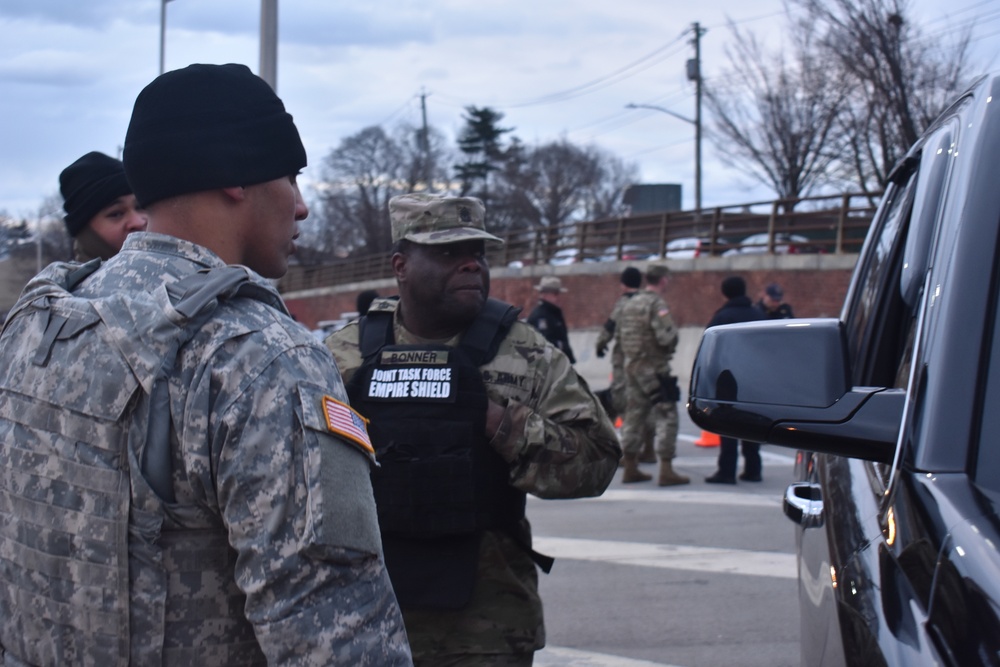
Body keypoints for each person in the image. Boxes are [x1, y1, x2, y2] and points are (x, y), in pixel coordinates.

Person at [0, 63, 411, 666]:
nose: (299, 207)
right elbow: (335, 635)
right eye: (291, 177)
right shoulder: (263, 356)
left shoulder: (38, 323)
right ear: (237, 176)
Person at [325, 192, 621, 666]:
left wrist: (497, 422)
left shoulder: (526, 353)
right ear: (400, 265)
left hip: (486, 631)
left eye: (477, 254)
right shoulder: (344, 357)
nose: (470, 266)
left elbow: (598, 461)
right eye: (447, 253)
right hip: (362, 621)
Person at [616, 264, 690, 486]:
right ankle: (666, 470)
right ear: (663, 280)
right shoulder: (657, 304)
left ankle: (630, 466)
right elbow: (667, 337)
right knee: (667, 415)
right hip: (654, 368)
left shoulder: (631, 303)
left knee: (634, 414)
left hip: (632, 366)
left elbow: (621, 334)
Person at [705, 276, 766, 484]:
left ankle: (727, 471)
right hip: (755, 376)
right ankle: (753, 469)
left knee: (728, 422)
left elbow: (711, 347)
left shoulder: (722, 318)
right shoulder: (759, 315)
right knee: (751, 421)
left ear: (725, 293)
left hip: (729, 377)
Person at [595, 266, 655, 462]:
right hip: (646, 360)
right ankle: (649, 449)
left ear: (623, 285)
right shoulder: (648, 302)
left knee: (625, 404)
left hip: (624, 361)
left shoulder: (623, 304)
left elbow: (609, 327)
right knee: (646, 402)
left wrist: (600, 344)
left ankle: (630, 455)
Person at [59, 150, 148, 261]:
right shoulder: (64, 278)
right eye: (116, 214)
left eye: (140, 207)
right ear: (86, 232)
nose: (138, 222)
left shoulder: (170, 272)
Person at [526, 275, 576, 363]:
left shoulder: (554, 313)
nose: (559, 297)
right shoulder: (540, 315)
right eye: (555, 294)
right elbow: (543, 343)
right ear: (545, 294)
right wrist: (561, 346)